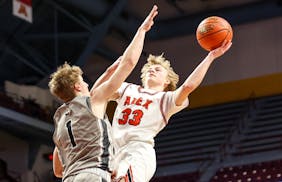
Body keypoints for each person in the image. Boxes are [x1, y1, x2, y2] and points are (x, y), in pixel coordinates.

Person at [49, 5, 158, 182]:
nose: (86, 83)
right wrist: (142, 30)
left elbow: (57, 170)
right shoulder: (93, 101)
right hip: (94, 174)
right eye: (83, 81)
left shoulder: (60, 121)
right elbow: (129, 63)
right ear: (77, 87)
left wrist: (108, 72)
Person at [110, 37, 232, 181]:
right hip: (114, 153)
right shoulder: (127, 88)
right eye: (149, 69)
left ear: (167, 80)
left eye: (157, 69)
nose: (152, 70)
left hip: (138, 152)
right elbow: (99, 93)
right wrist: (109, 72)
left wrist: (210, 57)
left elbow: (188, 87)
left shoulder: (166, 99)